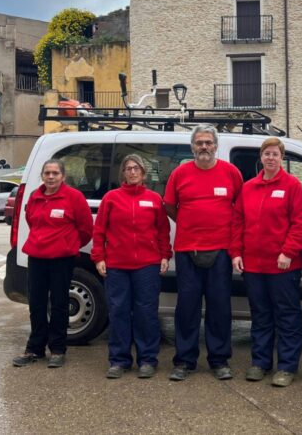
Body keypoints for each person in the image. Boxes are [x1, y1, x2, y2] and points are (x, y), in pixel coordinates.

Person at [164, 124, 243, 381]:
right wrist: (189, 223)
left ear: (216, 145)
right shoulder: (180, 173)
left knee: (220, 307)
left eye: (208, 142)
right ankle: (184, 361)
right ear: (192, 146)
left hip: (220, 251)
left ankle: (219, 360)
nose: (204, 147)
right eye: (199, 143)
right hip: (188, 250)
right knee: (187, 307)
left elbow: (240, 209)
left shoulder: (231, 173)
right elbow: (170, 205)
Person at [230, 137, 302, 387]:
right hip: (253, 266)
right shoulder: (249, 187)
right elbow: (238, 222)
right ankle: (260, 362)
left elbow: (299, 223)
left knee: (287, 317)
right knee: (260, 316)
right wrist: (236, 253)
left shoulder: (292, 185)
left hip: (283, 265)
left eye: (275, 154)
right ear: (261, 158)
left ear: (281, 158)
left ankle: (286, 366)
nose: (271, 158)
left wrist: (288, 252)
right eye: (267, 154)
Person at [91, 154, 172, 379]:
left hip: (147, 265)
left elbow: (163, 231)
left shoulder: (154, 199)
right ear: (123, 174)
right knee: (119, 312)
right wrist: (99, 258)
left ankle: (147, 359)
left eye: (136, 168)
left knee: (146, 313)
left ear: (143, 173)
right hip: (117, 265)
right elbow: (99, 231)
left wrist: (165, 255)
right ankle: (119, 360)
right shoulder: (111, 198)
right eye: (128, 168)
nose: (132, 172)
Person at [13, 159, 93, 368]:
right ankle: (35, 348)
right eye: (47, 173)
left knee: (59, 304)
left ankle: (57, 349)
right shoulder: (35, 196)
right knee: (36, 303)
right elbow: (31, 221)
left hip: (61, 258)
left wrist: (69, 244)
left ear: (63, 176)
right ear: (42, 176)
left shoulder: (74, 197)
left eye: (55, 173)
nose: (51, 177)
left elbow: (85, 229)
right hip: (37, 257)